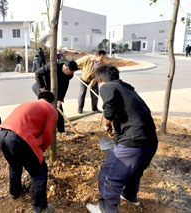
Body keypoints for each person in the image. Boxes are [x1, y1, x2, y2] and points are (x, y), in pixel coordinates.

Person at [86, 65, 158, 213]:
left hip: (132, 144)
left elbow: (109, 109)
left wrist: (107, 124)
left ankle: (105, 208)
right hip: (149, 142)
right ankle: (130, 195)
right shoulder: (128, 89)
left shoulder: (108, 86)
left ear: (100, 79)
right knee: (134, 172)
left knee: (108, 175)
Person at [0, 91, 58, 213]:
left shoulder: (29, 104)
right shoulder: (50, 109)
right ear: (52, 102)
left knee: (15, 165)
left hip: (2, 133)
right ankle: (40, 208)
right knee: (39, 173)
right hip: (19, 138)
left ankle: (15, 192)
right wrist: (41, 150)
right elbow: (47, 135)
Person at [33, 61, 78, 134]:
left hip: (55, 90)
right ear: (66, 68)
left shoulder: (70, 75)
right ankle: (41, 130)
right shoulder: (52, 66)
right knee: (45, 107)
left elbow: (64, 87)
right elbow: (38, 73)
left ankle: (61, 130)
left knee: (59, 108)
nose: (72, 74)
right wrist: (41, 86)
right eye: (71, 72)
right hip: (42, 89)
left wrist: (60, 99)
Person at [76, 50, 106, 114]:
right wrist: (75, 68)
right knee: (82, 93)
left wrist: (91, 84)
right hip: (84, 79)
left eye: (104, 57)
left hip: (94, 80)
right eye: (102, 57)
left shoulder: (102, 64)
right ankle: (80, 109)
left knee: (95, 93)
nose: (103, 59)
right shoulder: (87, 58)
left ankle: (95, 109)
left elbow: (98, 75)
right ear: (97, 56)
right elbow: (76, 63)